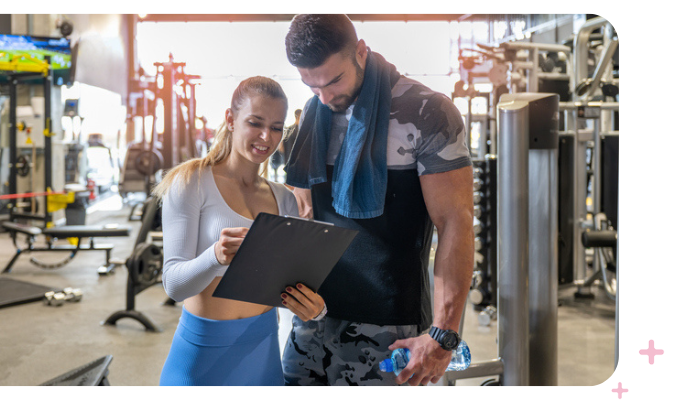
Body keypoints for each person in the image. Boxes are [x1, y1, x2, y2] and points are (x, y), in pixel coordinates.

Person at [281, 14, 475, 386]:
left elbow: (455, 221)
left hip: (391, 328)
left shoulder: (427, 112)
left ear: (361, 52)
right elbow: (301, 213)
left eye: (334, 80)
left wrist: (443, 334)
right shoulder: (313, 114)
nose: (325, 96)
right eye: (311, 85)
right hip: (311, 321)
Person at [156, 76, 327, 386]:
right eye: (255, 122)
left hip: (262, 354)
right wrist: (214, 257)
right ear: (230, 119)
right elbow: (173, 286)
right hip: (201, 357)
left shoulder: (284, 199)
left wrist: (315, 307)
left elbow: (294, 284)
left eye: (276, 127)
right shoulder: (191, 181)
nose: (266, 136)